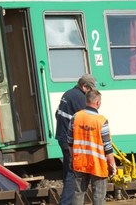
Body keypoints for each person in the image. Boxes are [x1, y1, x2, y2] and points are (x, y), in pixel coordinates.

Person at [68, 90, 116, 205]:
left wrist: (72, 158)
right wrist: (112, 165)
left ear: (86, 101)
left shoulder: (76, 117)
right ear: (98, 103)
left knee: (78, 193)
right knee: (98, 196)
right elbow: (107, 147)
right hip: (97, 164)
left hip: (80, 162)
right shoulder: (101, 121)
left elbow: (69, 141)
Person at [55, 73, 96, 205]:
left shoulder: (68, 94)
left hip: (62, 137)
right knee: (73, 174)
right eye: (90, 90)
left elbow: (57, 114)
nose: (90, 94)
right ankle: (66, 203)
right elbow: (87, 118)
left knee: (69, 171)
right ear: (84, 87)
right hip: (70, 141)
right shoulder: (79, 97)